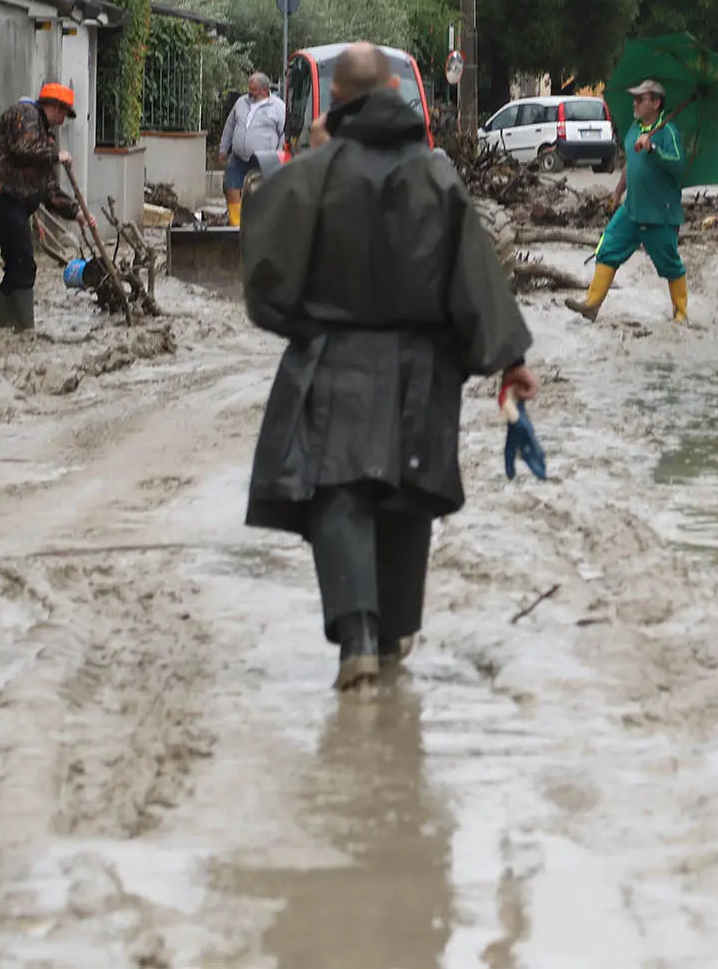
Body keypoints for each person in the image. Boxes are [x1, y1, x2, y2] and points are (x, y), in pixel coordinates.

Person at [241, 42, 537, 693]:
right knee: (407, 494)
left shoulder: (316, 173)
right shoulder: (436, 174)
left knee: (339, 491)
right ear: (397, 93)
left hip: (336, 355)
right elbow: (475, 273)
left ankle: (359, 638)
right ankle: (397, 631)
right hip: (421, 364)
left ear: (338, 99)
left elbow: (264, 266)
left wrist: (302, 327)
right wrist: (509, 359)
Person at [0, 82, 89, 332]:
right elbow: (22, 148)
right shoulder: (26, 114)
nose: (63, 120)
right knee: (24, 261)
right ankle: (16, 328)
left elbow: (49, 190)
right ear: (55, 107)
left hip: (13, 203)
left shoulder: (45, 138)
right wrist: (57, 156)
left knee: (20, 262)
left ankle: (4, 328)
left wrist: (76, 212)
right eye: (64, 114)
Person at [572, 79, 689, 324]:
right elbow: (630, 165)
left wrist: (653, 148)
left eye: (640, 99)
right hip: (631, 208)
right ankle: (592, 304)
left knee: (669, 263)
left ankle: (680, 315)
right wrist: (618, 191)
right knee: (608, 247)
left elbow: (679, 167)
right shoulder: (635, 128)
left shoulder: (668, 132)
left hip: (660, 213)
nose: (634, 103)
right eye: (634, 98)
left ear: (656, 103)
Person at [221, 72, 288, 227]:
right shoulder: (241, 102)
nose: (249, 92)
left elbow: (284, 132)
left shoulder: (278, 107)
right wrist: (223, 148)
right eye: (249, 89)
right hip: (238, 156)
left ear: (264, 90)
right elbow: (230, 125)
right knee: (231, 187)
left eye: (253, 90)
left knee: (262, 192)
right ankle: (236, 225)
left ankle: (262, 225)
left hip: (264, 158)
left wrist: (279, 155)